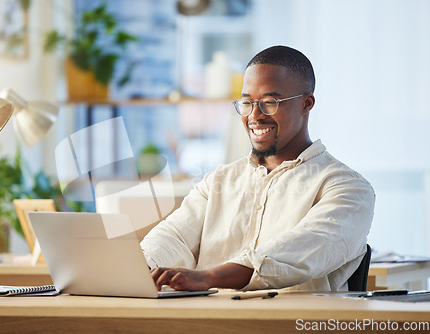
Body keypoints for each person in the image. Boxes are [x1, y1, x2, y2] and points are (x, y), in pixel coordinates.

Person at [140, 45, 375, 292]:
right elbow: (173, 236)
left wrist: (207, 278)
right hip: (207, 319)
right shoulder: (219, 180)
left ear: (307, 103)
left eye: (269, 102)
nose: (255, 116)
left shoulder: (348, 189)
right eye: (247, 102)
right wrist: (142, 267)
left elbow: (295, 253)